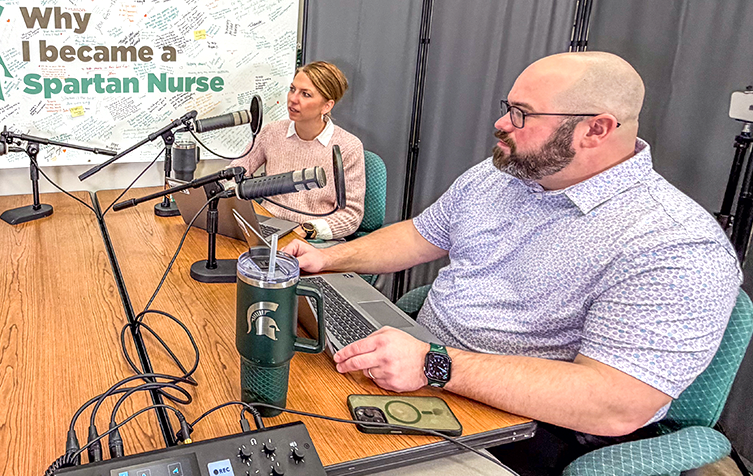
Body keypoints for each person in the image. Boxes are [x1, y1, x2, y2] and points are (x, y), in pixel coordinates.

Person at [283, 52, 741, 474]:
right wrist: (326, 258)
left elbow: (617, 403)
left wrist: (436, 365)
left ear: (595, 129)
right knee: (279, 416)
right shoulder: (501, 175)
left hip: (526, 424)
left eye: (523, 114)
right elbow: (419, 235)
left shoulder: (676, 245)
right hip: (423, 363)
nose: (502, 123)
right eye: (509, 106)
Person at [230, 61, 365, 240]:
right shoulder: (271, 132)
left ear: (327, 106)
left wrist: (307, 230)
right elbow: (234, 173)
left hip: (314, 239)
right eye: (292, 89)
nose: (293, 99)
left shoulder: (348, 147)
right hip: (268, 229)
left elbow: (351, 216)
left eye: (306, 94)